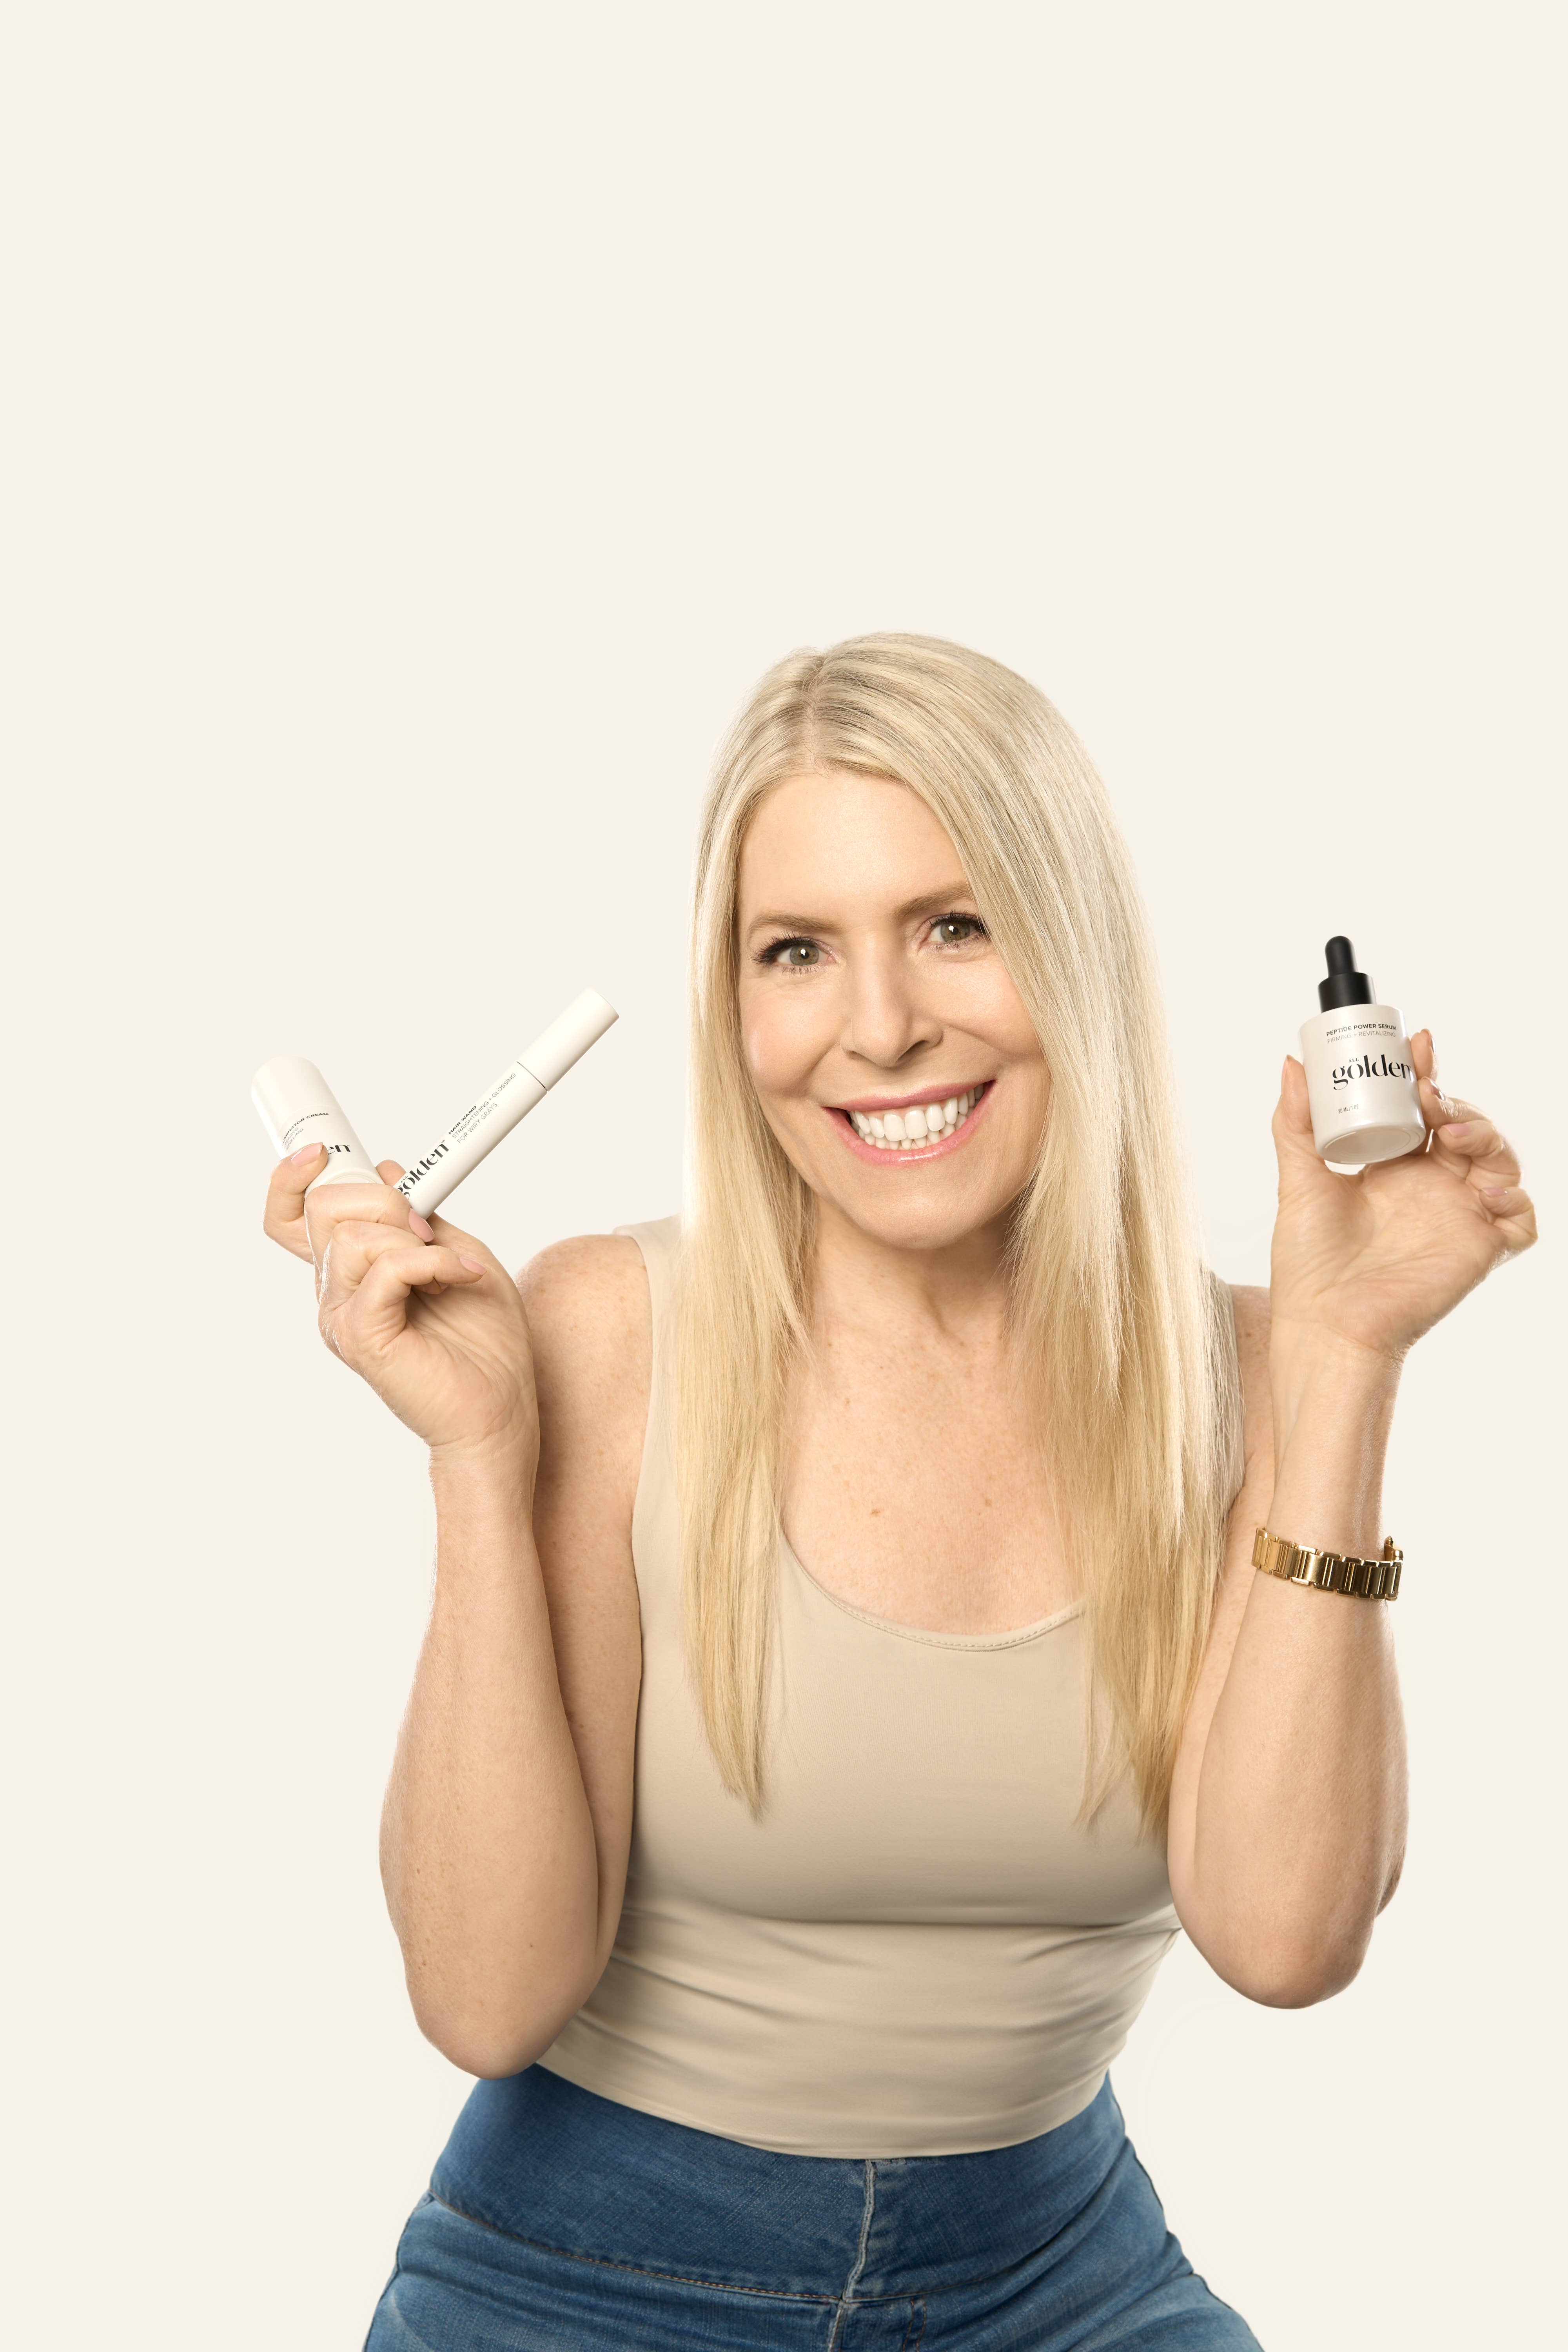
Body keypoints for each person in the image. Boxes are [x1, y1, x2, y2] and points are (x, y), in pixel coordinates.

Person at [263, 637, 1535, 2349]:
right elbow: (484, 2002)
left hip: (1055, 2277)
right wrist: (480, 1458)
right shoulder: (606, 1332)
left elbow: (1287, 1942)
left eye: (955, 925)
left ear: (1074, 946)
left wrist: (1345, 1356)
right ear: (734, 1006)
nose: (878, 1028)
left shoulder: (1255, 1369)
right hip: (587, 2276)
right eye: (797, 951)